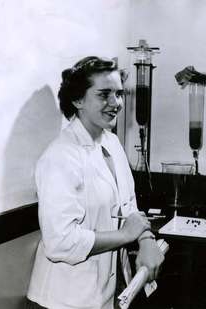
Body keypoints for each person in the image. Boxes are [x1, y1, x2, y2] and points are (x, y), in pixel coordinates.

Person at [26, 56, 164, 309]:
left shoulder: (110, 142)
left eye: (119, 94)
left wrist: (146, 240)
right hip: (62, 301)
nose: (116, 103)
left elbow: (128, 206)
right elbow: (60, 243)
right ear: (78, 100)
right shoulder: (59, 157)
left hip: (104, 295)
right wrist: (126, 235)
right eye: (104, 94)